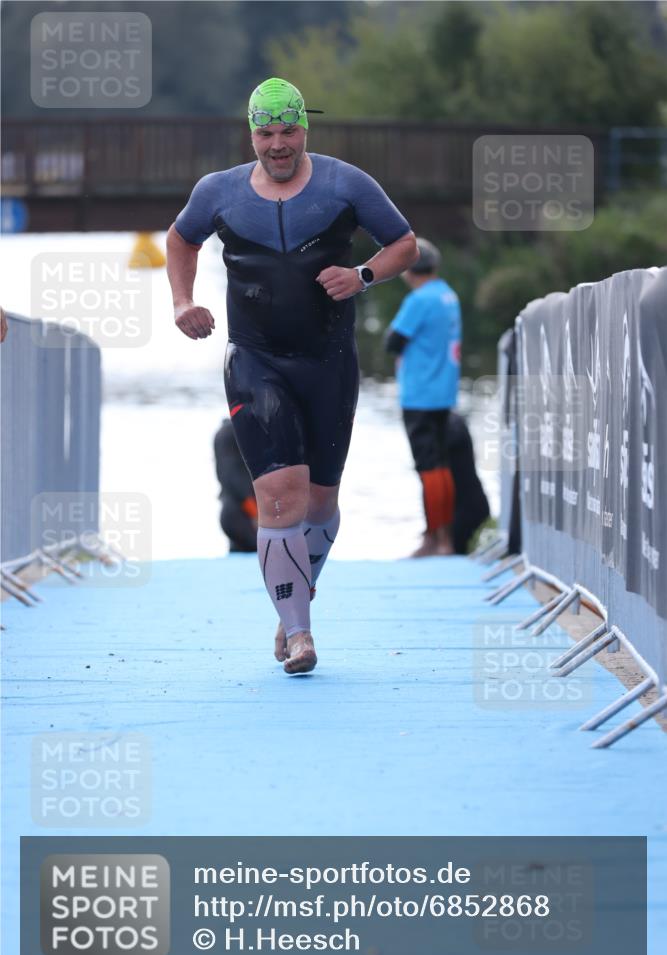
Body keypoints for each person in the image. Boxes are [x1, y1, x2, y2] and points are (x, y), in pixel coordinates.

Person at [166, 77, 417, 674]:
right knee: (281, 495)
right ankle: (301, 634)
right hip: (255, 360)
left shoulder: (345, 183)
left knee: (322, 503)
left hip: (328, 362)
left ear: (305, 127)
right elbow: (180, 240)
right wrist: (182, 302)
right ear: (251, 133)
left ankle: (290, 607)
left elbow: (404, 244)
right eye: (265, 133)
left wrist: (362, 275)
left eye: (287, 131)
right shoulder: (218, 192)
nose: (277, 145)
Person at [384, 238, 462, 557]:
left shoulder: (420, 300)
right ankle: (445, 537)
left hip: (419, 393)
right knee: (440, 464)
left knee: (427, 467)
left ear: (408, 269)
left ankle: (434, 537)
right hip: (443, 391)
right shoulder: (447, 295)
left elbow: (393, 341)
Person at [446, 411, 490, 554]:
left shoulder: (450, 426)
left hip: (467, 509)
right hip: (469, 504)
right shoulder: (454, 422)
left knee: (456, 553)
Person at [213, 418, 258, 553]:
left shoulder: (228, 431)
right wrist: (256, 513)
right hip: (241, 513)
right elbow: (233, 476)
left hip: (238, 511)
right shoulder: (231, 432)